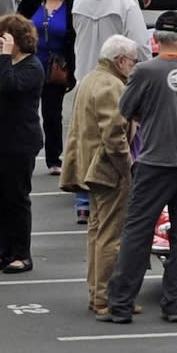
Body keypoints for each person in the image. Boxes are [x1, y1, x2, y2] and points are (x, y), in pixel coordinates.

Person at [104, 12, 177, 323]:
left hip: (155, 160)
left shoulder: (144, 72)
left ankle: (121, 303)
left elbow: (125, 110)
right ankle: (175, 303)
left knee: (137, 231)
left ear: (154, 40)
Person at [62, 35, 140, 315]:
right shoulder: (111, 85)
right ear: (120, 60)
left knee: (97, 232)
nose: (134, 66)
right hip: (107, 170)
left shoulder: (90, 79)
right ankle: (105, 298)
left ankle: (97, 292)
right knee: (110, 236)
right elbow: (114, 136)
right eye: (133, 61)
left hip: (89, 167)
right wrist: (127, 168)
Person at [0, 13, 45, 276]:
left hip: (19, 143)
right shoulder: (2, 65)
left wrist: (6, 55)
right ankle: (4, 250)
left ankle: (22, 254)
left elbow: (9, 87)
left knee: (17, 199)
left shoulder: (31, 66)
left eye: (4, 37)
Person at [28, 0, 76, 172]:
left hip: (56, 68)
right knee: (27, 113)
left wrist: (72, 70)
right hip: (30, 64)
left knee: (52, 115)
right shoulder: (32, 2)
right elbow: (17, 25)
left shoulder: (71, 8)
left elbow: (74, 40)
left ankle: (54, 159)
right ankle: (26, 154)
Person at [71, 0, 147, 81]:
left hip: (84, 79)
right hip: (115, 80)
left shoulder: (80, 1)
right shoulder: (127, 4)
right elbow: (140, 47)